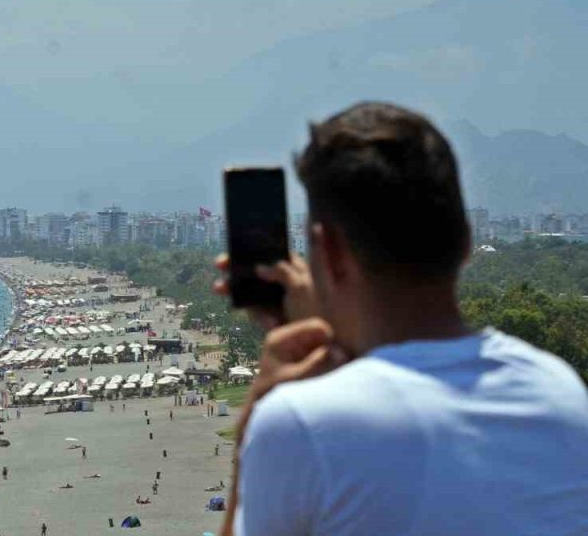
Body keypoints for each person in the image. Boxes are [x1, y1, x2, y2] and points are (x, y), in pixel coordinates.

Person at [215, 102, 588, 536]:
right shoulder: (560, 394)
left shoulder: (298, 426)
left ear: (330, 252)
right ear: (466, 241)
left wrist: (253, 426)